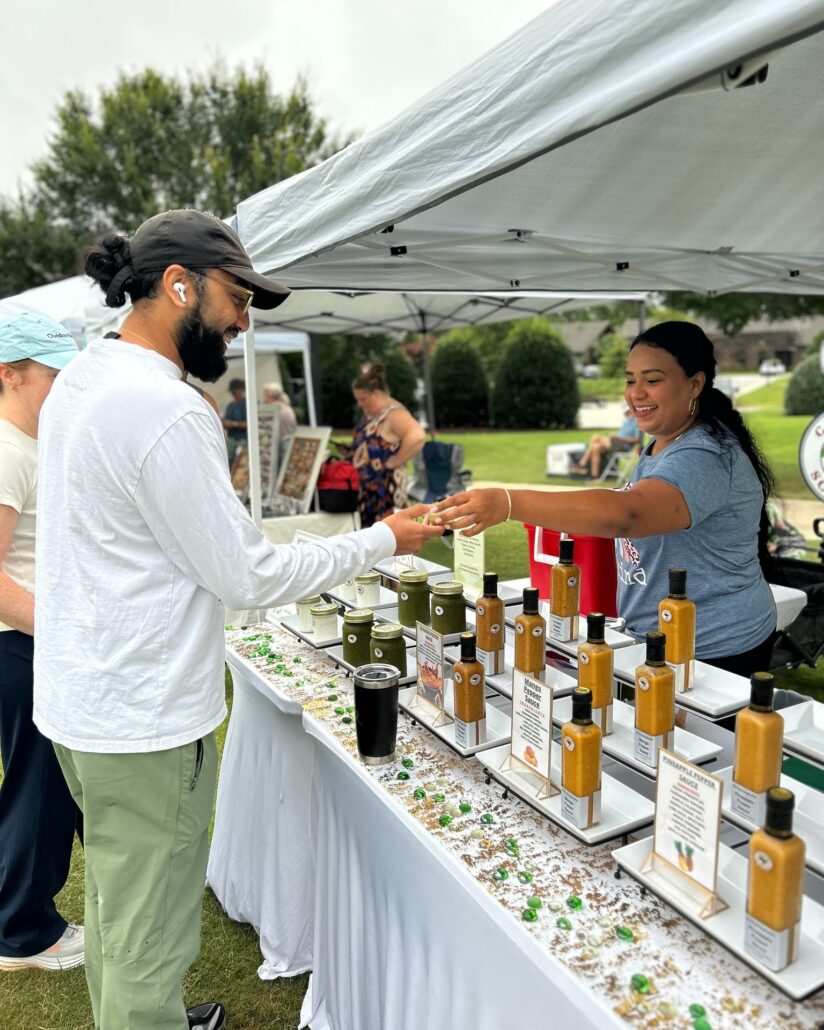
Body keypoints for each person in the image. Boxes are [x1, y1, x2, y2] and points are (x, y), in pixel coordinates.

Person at [32, 209, 442, 1030]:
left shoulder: (83, 376)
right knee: (147, 931)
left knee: (120, 906)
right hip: (144, 718)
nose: (242, 321)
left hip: (80, 702)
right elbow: (247, 576)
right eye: (236, 297)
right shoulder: (166, 409)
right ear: (178, 285)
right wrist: (384, 538)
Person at [431, 321, 777, 674]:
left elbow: (630, 514)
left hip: (716, 651)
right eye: (630, 380)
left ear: (695, 383)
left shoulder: (706, 456)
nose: (636, 393)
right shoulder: (662, 443)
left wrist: (508, 502)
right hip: (658, 642)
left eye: (652, 380)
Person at [0, 312, 83, 973]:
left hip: (32, 639)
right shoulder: (5, 449)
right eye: (54, 375)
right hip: (21, 644)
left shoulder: (29, 443)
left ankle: (27, 921)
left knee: (45, 783)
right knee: (38, 787)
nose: (64, 388)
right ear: (9, 374)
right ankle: (25, 935)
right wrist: (61, 634)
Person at [350, 363, 425, 527]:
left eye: (362, 399)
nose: (360, 404)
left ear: (376, 394)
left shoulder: (394, 414)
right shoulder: (375, 414)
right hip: (368, 493)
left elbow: (417, 436)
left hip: (385, 494)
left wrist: (396, 461)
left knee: (388, 541)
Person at [570, 408, 641, 479]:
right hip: (615, 443)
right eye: (627, 412)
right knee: (595, 447)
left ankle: (582, 464)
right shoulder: (626, 421)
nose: (628, 413)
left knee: (596, 437)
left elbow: (637, 440)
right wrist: (615, 437)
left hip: (624, 447)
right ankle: (594, 475)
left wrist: (619, 438)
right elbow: (621, 435)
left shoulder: (638, 422)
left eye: (630, 411)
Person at [222, 377, 246, 464]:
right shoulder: (230, 405)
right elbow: (225, 420)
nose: (232, 393)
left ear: (240, 390)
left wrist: (232, 424)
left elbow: (250, 424)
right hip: (231, 440)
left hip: (243, 440)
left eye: (234, 390)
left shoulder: (246, 404)